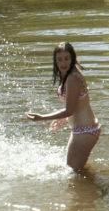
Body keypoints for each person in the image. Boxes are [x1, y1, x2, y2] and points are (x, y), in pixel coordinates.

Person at [25, 42, 101, 173]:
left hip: (85, 132)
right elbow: (76, 106)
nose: (63, 63)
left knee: (72, 173)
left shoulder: (72, 78)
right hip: (83, 130)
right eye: (59, 59)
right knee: (75, 171)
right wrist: (63, 119)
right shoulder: (70, 75)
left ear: (72, 58)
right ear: (55, 61)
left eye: (67, 58)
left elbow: (69, 110)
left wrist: (42, 117)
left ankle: (93, 191)